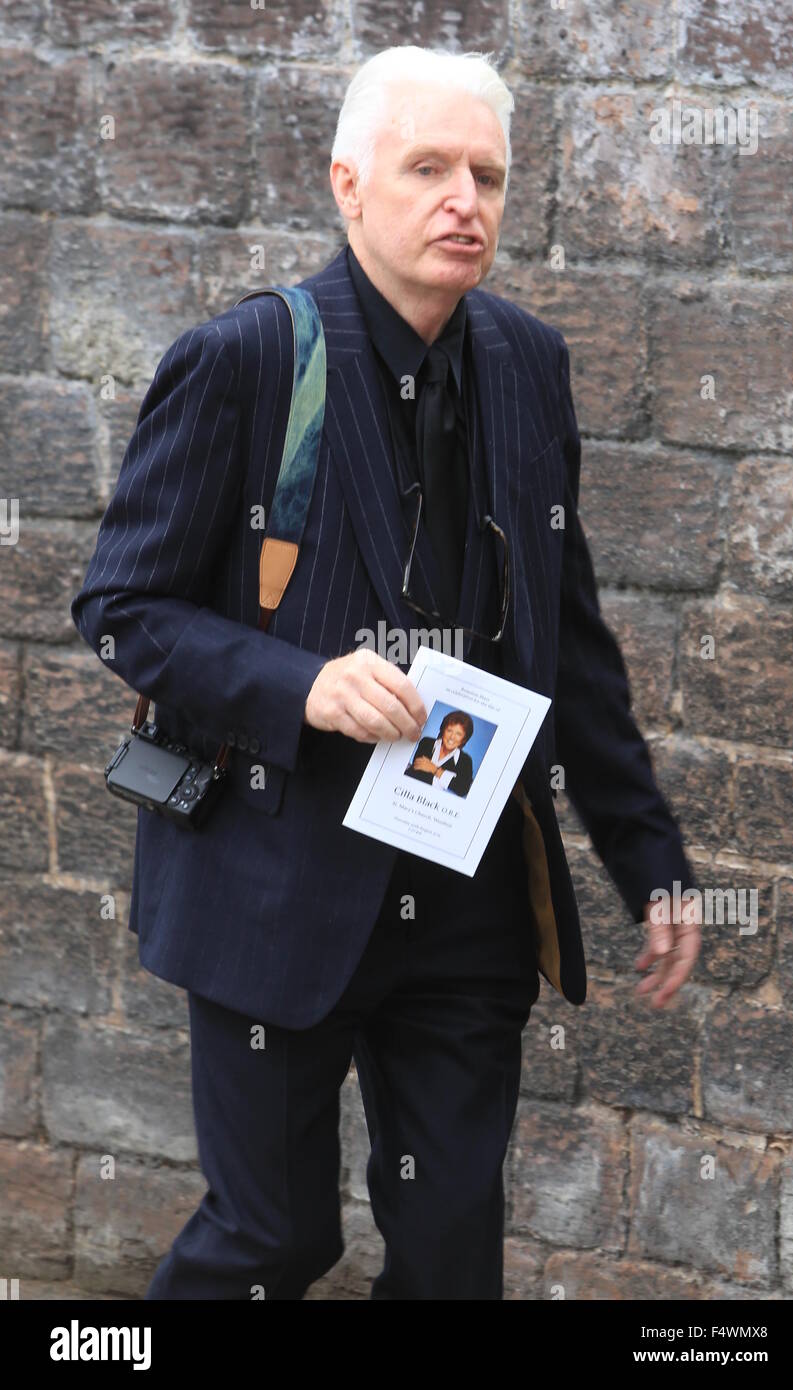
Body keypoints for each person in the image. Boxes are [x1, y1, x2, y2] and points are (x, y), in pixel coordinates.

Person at [70, 44, 701, 1301]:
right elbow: (119, 608)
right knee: (269, 1244)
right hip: (273, 884)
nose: (464, 198)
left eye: (488, 175)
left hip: (463, 889)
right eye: (429, 168)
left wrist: (647, 857)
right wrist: (299, 686)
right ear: (347, 185)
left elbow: (566, 641)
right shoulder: (245, 358)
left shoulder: (527, 363)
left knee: (450, 1255)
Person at [404, 711, 474, 796]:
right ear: (443, 730)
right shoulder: (426, 742)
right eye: (449, 730)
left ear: (464, 739)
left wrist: (435, 770)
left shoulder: (466, 761)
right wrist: (447, 780)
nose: (452, 737)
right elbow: (417, 770)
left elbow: (462, 790)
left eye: (458, 734)